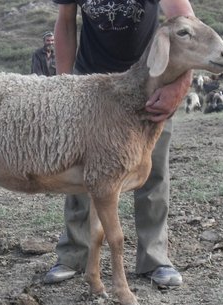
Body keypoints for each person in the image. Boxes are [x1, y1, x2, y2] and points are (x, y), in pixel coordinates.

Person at [44, 0, 195, 288]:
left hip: (148, 81)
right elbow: (65, 21)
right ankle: (74, 255)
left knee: (151, 170)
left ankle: (154, 258)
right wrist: (60, 87)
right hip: (90, 85)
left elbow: (188, 24)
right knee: (79, 169)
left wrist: (178, 86)